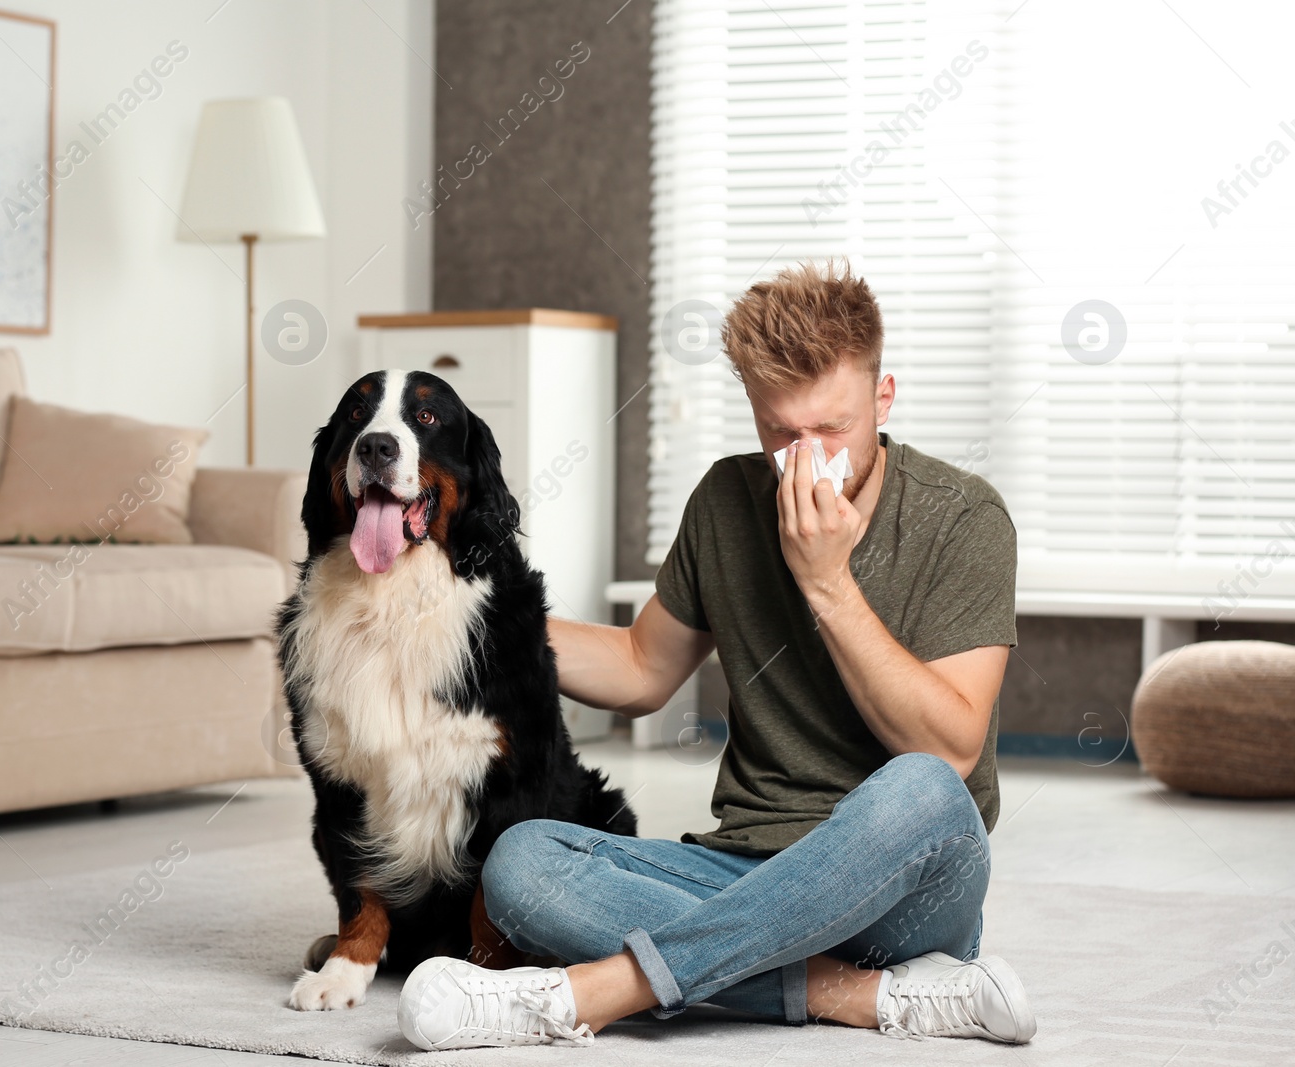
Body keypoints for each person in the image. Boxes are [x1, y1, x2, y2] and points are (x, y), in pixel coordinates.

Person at [395, 261, 1036, 1050]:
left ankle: (592, 991)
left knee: (925, 789)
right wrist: (474, 621)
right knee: (523, 863)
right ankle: (860, 995)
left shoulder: (964, 517)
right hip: (743, 869)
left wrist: (828, 582)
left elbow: (949, 744)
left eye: (832, 429)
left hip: (905, 890)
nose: (806, 458)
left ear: (884, 397)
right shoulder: (726, 500)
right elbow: (640, 667)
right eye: (781, 433)